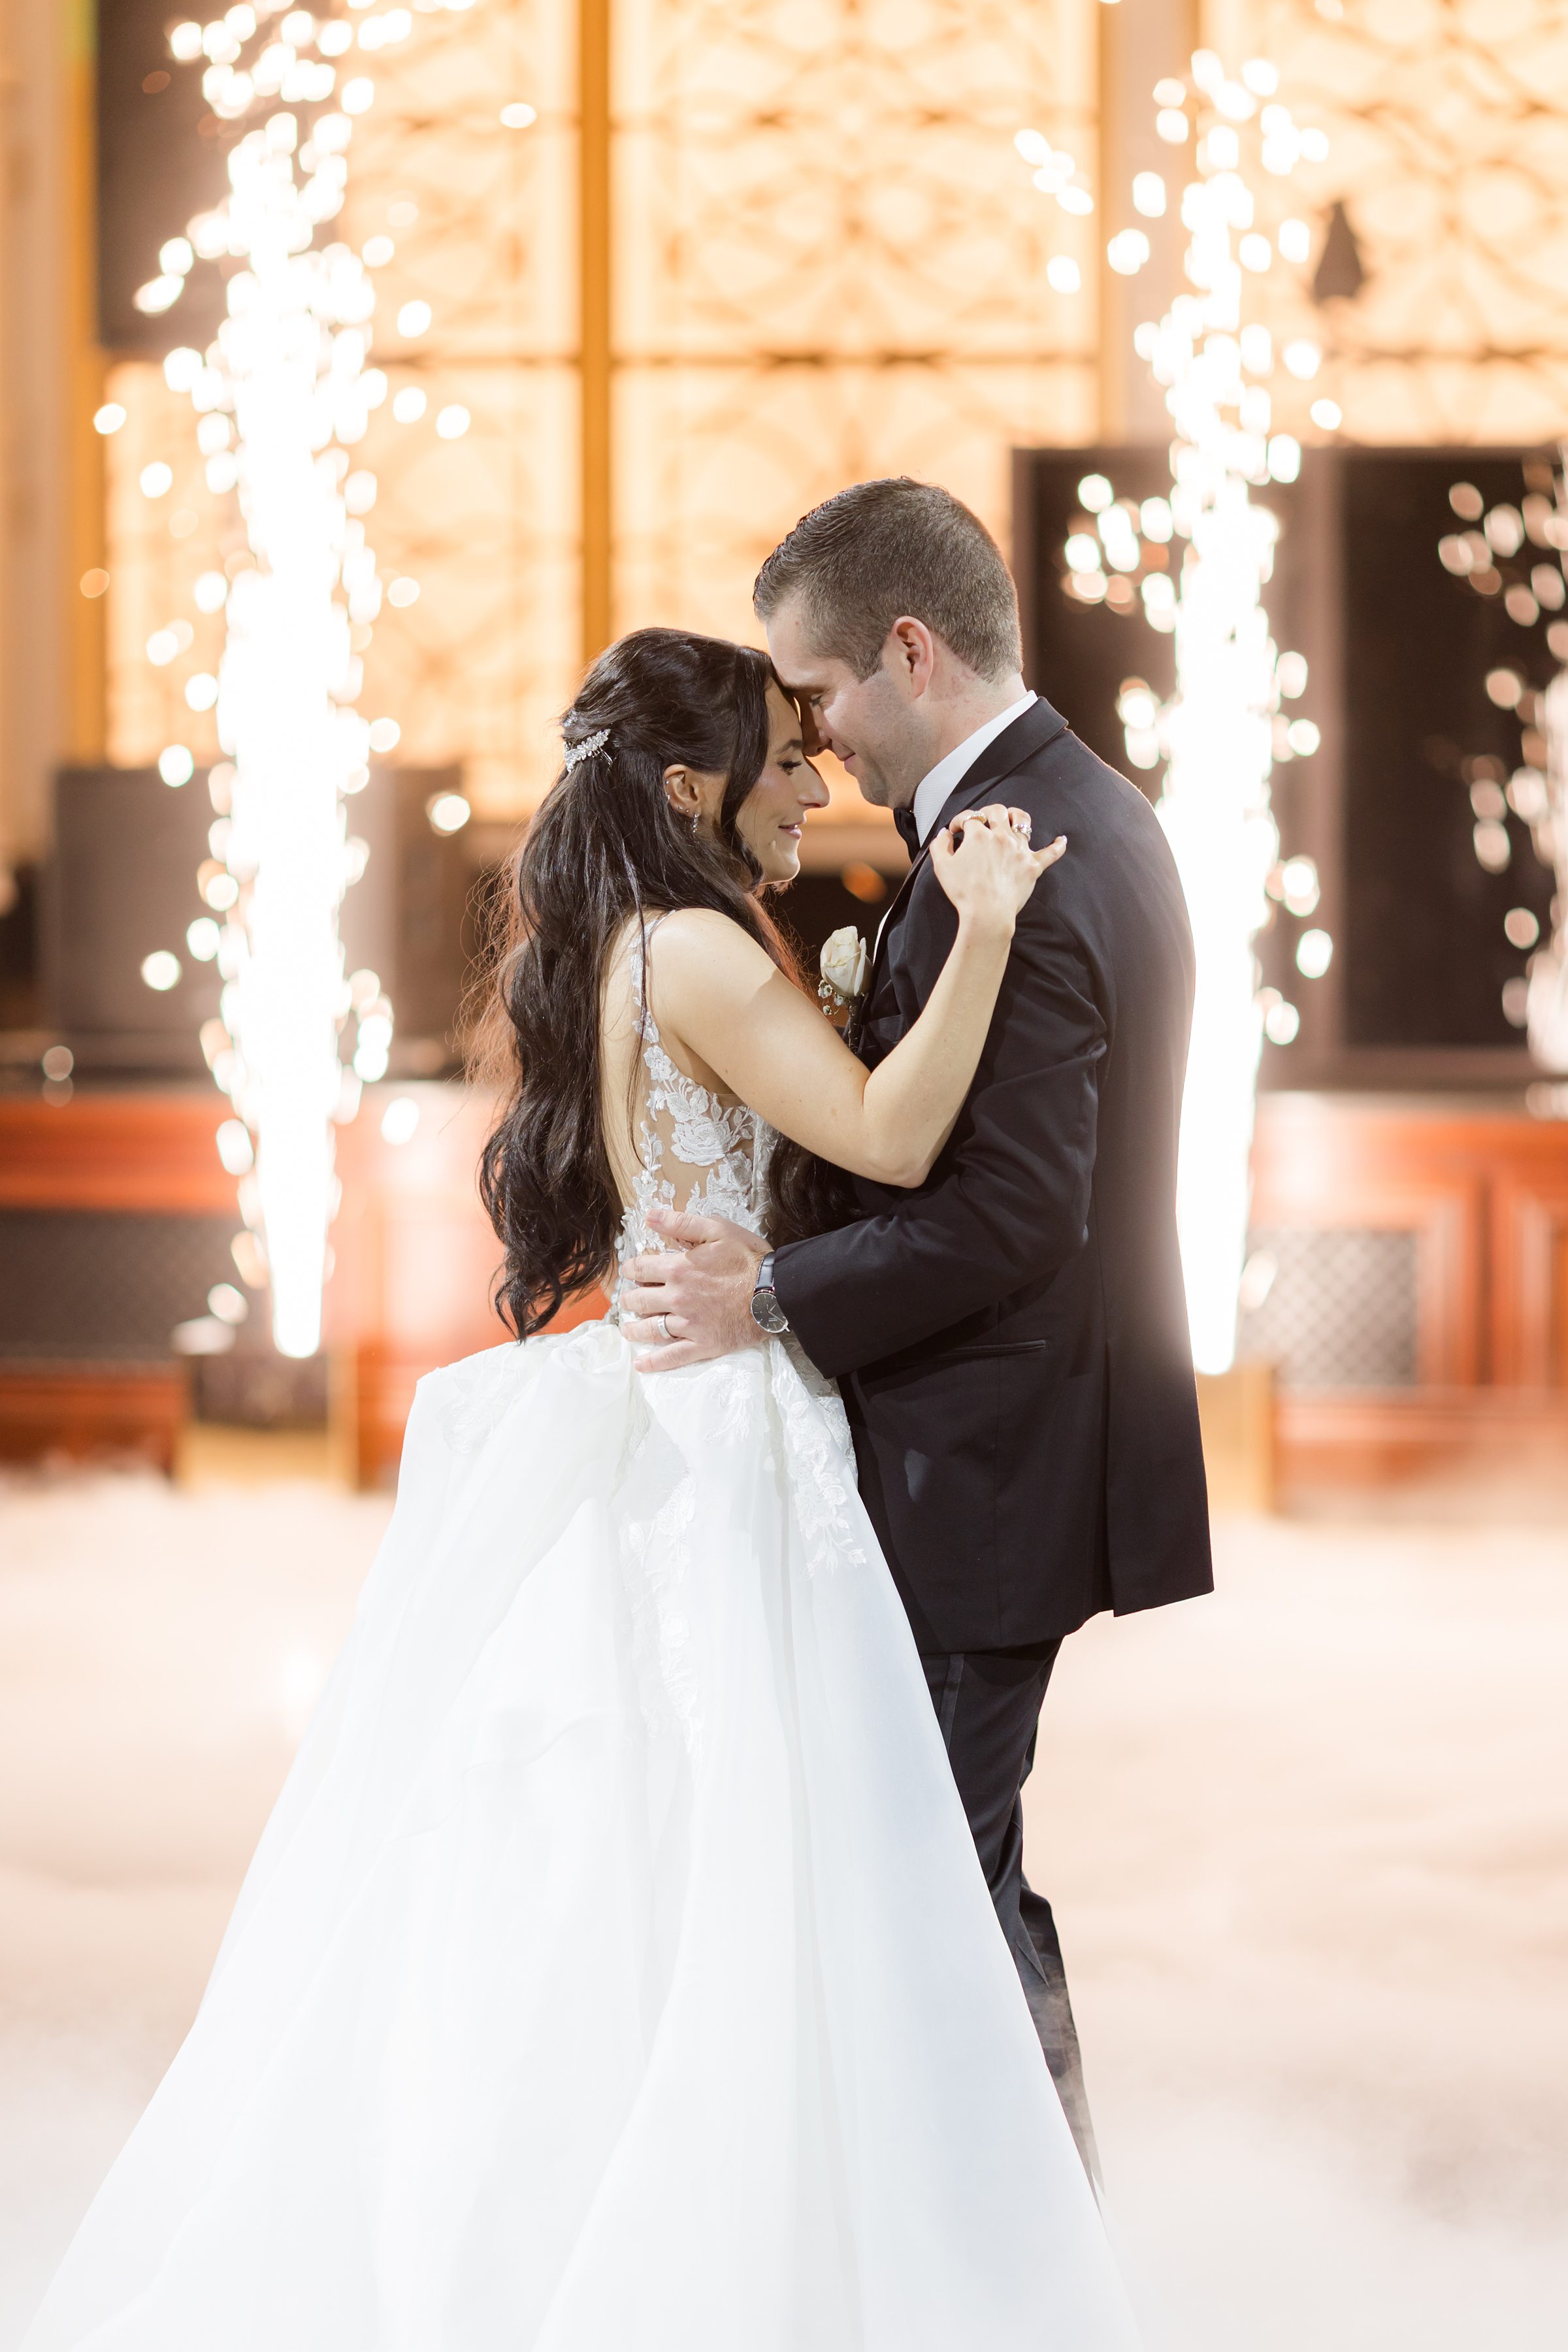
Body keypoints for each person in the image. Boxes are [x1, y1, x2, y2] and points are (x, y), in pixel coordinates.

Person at [22, 627, 1141, 2352]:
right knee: (759, 1843)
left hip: (672, 1394)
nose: (815, 780)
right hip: (735, 1429)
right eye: (784, 753)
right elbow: (898, 1140)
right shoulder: (690, 946)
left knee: (687, 1837)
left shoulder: (644, 942)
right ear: (696, 788)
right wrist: (984, 932)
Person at [621, 481, 1215, 2174]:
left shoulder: (1001, 856)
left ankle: (1013, 2265)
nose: (805, 736)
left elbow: (1009, 1213)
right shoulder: (1073, 806)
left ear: (907, 649)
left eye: (813, 694)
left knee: (925, 1901)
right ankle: (1026, 2252)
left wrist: (769, 1297)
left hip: (984, 1463)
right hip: (1002, 1441)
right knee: (950, 1877)